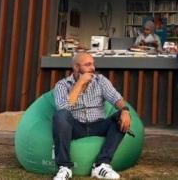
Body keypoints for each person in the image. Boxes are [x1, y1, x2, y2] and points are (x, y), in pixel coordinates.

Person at [52, 52, 132, 180]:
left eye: (93, 64)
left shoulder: (100, 80)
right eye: (88, 65)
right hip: (75, 127)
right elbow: (63, 108)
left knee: (120, 116)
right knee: (60, 115)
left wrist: (125, 110)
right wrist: (80, 83)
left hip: (98, 125)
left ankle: (101, 165)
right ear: (76, 68)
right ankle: (65, 167)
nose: (93, 68)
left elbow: (116, 98)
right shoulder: (62, 85)